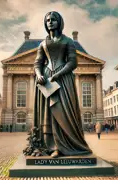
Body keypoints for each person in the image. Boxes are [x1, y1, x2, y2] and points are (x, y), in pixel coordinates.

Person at [32, 11, 92, 158]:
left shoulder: (68, 41)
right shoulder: (42, 44)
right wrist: (39, 75)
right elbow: (37, 63)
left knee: (62, 112)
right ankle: (48, 145)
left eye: (53, 19)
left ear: (59, 22)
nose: (50, 22)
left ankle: (62, 146)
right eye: (47, 20)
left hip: (63, 79)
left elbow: (73, 62)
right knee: (47, 113)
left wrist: (58, 74)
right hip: (47, 80)